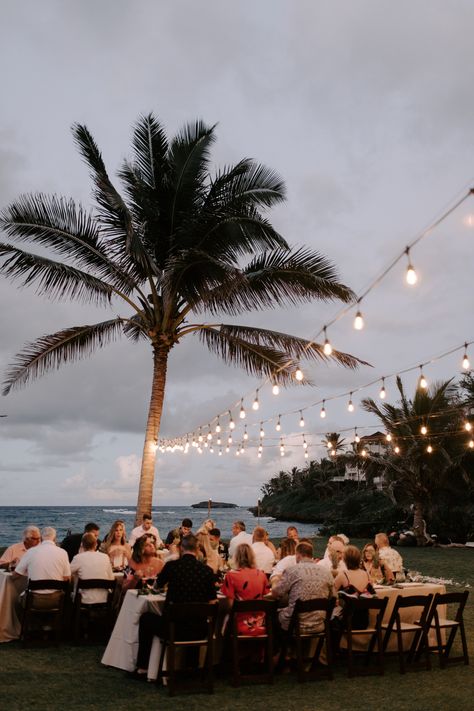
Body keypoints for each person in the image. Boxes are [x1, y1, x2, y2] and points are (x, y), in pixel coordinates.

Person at [132, 534, 217, 679]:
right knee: (194, 618)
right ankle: (191, 667)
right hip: (199, 629)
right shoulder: (207, 571)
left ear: (181, 548)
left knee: (146, 619)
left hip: (173, 628)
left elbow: (157, 587)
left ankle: (143, 667)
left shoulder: (172, 567)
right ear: (197, 549)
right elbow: (213, 603)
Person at [272, 541, 334, 634]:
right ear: (311, 555)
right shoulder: (326, 572)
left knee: (272, 616)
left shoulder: (292, 571)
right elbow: (333, 597)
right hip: (320, 624)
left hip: (296, 624)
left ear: (297, 555)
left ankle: (283, 647)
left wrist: (274, 581)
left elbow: (276, 593)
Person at [13, 527, 70, 608]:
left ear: (41, 539)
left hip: (34, 600)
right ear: (55, 539)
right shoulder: (63, 553)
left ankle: (26, 620)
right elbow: (67, 578)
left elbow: (16, 575)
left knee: (15, 602)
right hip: (57, 600)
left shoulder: (31, 552)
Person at [221, 543, 270, 635]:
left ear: (236, 558)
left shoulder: (231, 576)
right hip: (260, 624)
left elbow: (229, 605)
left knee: (220, 621)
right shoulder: (261, 574)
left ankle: (220, 648)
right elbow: (266, 597)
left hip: (239, 625)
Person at [333, 546, 375, 632]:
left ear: (345, 560)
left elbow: (331, 593)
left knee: (330, 620)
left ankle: (332, 645)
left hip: (347, 622)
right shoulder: (366, 574)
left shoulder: (343, 575)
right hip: (364, 621)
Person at [71, 532, 114, 604]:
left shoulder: (78, 558)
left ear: (82, 545)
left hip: (84, 599)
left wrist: (80, 552)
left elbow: (67, 573)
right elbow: (111, 578)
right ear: (96, 545)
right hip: (103, 598)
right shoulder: (105, 557)